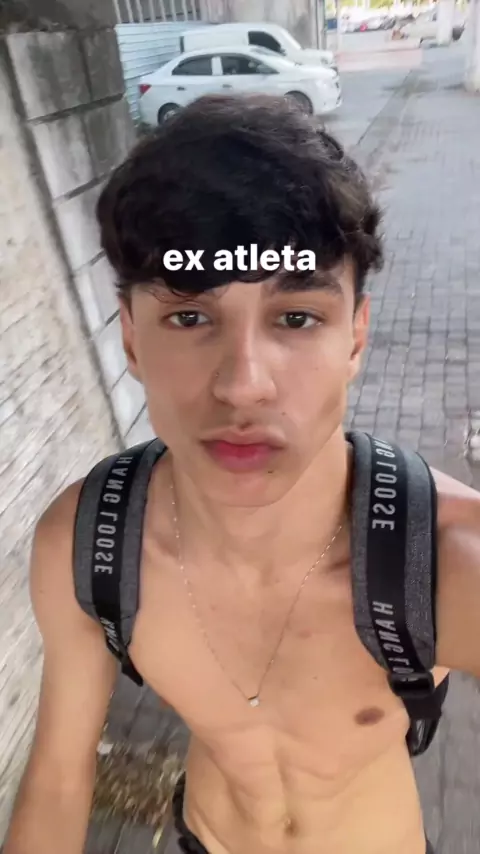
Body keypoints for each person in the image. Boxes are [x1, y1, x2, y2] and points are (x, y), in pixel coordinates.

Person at [4, 93, 480, 854]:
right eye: (190, 317)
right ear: (132, 340)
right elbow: (60, 778)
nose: (242, 386)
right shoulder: (91, 548)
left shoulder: (446, 559)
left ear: (355, 339)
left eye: (296, 318)